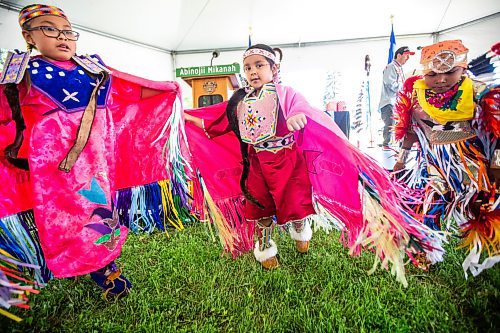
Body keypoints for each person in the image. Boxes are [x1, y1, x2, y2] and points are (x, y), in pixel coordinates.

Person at [183, 44, 443, 285]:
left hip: (287, 161)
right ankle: (263, 245)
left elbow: (300, 107)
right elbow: (218, 120)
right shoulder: (240, 99)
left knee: (294, 202)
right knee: (260, 204)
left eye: (259, 65)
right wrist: (183, 115)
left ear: (274, 69)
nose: (253, 71)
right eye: (248, 67)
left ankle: (299, 227)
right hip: (256, 163)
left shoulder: (285, 93)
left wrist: (296, 114)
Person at [0, 4, 182, 298]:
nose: (62, 37)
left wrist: (164, 89)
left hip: (97, 160)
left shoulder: (92, 67)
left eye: (69, 32)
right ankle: (72, 264)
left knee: (98, 211)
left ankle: (104, 268)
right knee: (63, 218)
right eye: (49, 28)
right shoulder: (22, 72)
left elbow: (128, 90)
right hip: (55, 168)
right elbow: (6, 114)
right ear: (28, 36)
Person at [393, 40, 499, 276]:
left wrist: (496, 165)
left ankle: (487, 245)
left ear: (463, 68)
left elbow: (497, 129)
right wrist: (401, 159)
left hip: (471, 160)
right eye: (432, 74)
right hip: (431, 162)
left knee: (483, 205)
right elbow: (408, 131)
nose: (441, 80)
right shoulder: (414, 92)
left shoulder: (477, 90)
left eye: (450, 72)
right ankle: (426, 250)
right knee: (430, 203)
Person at [378, 46, 414, 149]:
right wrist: (404, 88)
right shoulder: (391, 67)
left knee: (400, 123)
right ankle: (387, 144)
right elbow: (389, 83)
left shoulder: (399, 68)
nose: (407, 59)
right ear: (399, 55)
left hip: (396, 102)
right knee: (390, 123)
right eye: (406, 56)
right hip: (389, 101)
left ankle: (400, 144)